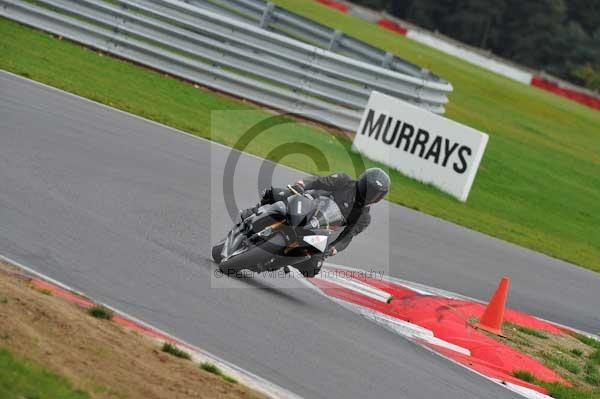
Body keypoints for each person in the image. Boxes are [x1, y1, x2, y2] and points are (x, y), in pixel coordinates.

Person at [240, 168, 390, 256]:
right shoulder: (344, 181)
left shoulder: (364, 218)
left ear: (379, 198)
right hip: (309, 204)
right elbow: (318, 181)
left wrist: (334, 248)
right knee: (280, 194)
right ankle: (254, 212)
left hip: (321, 230)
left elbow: (348, 236)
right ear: (362, 181)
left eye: (375, 193)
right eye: (368, 189)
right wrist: (302, 185)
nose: (370, 194)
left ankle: (278, 259)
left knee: (313, 267)